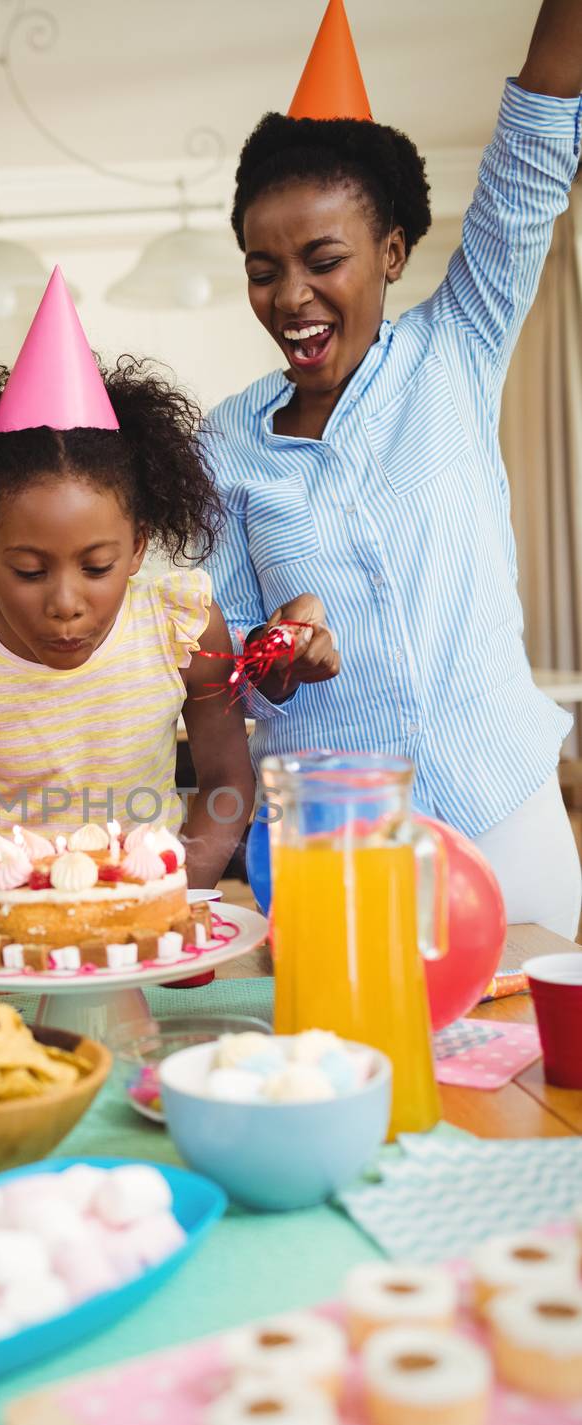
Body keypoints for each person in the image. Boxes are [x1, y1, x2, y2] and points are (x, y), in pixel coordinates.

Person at [204, 0, 582, 936]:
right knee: (347, 1061)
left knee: (536, 1072)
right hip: (335, 840)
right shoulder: (221, 447)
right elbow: (221, 662)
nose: (290, 295)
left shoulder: (456, 347)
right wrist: (275, 655)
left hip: (507, 811)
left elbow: (535, 140)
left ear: (392, 252)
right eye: (262, 267)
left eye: (321, 259)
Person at [0, 271, 261, 889]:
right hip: (15, 932)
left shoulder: (181, 628)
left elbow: (226, 783)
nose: (66, 604)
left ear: (139, 545)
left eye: (97, 567)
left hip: (157, 911)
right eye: (30, 571)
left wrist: (178, 888)